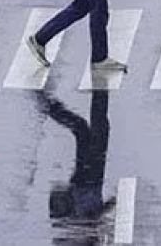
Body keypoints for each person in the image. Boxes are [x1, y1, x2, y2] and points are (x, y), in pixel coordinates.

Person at [38, 91, 113, 222]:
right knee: (85, 129)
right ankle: (100, 90)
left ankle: (100, 89)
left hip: (89, 181)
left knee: (91, 128)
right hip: (86, 183)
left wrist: (111, 205)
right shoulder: (84, 230)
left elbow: (93, 216)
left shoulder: (84, 230)